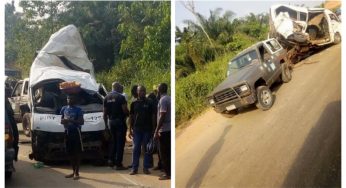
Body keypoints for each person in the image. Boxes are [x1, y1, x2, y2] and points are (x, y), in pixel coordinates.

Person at [129, 85, 155, 175]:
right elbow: (131, 117)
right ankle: (134, 168)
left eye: (144, 91)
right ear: (137, 92)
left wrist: (154, 129)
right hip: (137, 129)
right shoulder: (133, 103)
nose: (142, 92)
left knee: (147, 149)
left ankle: (146, 168)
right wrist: (129, 130)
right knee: (136, 148)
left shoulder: (150, 102)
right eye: (140, 91)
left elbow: (153, 116)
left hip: (147, 129)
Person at [103, 82, 129, 170]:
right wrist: (129, 114)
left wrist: (106, 126)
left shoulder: (106, 97)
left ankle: (111, 160)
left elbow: (104, 114)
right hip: (119, 122)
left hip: (111, 122)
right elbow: (125, 110)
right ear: (118, 88)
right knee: (120, 143)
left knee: (113, 141)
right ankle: (118, 164)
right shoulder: (121, 97)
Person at [60, 95, 84, 180]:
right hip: (67, 132)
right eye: (68, 98)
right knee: (70, 153)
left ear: (75, 100)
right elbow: (62, 120)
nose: (69, 100)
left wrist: (69, 120)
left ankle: (77, 172)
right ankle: (73, 171)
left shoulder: (78, 110)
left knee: (77, 152)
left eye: (71, 98)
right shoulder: (64, 109)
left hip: (76, 133)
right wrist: (63, 122)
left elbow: (81, 122)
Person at [154, 83, 171, 180]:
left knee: (163, 153)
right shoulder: (169, 98)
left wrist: (156, 130)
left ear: (159, 90)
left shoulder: (163, 100)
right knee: (168, 151)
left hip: (164, 130)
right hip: (169, 129)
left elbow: (162, 115)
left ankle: (167, 173)